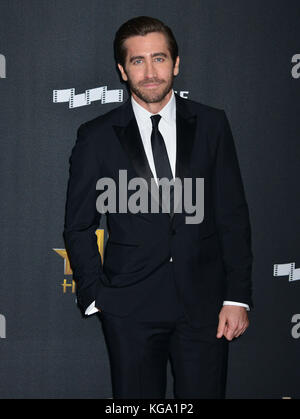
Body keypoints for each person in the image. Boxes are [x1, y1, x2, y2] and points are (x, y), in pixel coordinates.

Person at [63, 16, 253, 399]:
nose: (150, 72)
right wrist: (97, 295)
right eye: (137, 61)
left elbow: (232, 213)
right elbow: (79, 226)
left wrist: (236, 296)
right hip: (129, 308)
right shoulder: (97, 137)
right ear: (122, 70)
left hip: (205, 307)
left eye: (159, 58)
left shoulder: (212, 124)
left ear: (176, 63)